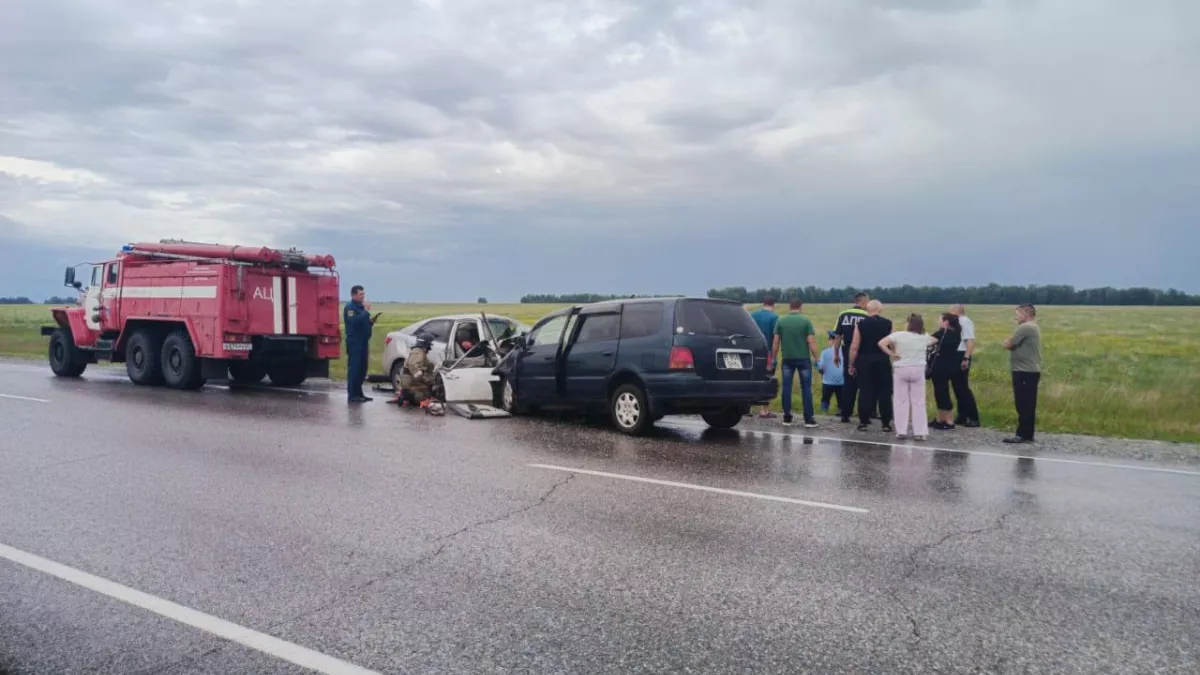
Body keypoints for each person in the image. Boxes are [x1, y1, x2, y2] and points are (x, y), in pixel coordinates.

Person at [879, 314, 935, 440]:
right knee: (919, 402)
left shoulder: (898, 335)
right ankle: (920, 432)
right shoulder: (924, 337)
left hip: (901, 368)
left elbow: (881, 343)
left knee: (900, 401)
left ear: (909, 324)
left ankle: (901, 431)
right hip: (918, 369)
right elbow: (934, 340)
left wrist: (891, 353)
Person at [772, 298, 819, 427]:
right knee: (806, 388)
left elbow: (776, 342)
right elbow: (811, 342)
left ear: (790, 307)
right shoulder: (805, 321)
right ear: (800, 307)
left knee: (786, 387)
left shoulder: (781, 321)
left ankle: (787, 417)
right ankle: (808, 419)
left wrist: (773, 358)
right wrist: (817, 358)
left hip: (787, 359)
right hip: (803, 359)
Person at [848, 300, 894, 432]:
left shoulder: (861, 324)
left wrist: (851, 364)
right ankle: (886, 423)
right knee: (885, 392)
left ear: (867, 310)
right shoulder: (888, 323)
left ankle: (863, 421)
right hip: (882, 359)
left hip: (864, 360)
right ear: (880, 309)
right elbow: (892, 343)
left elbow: (854, 347)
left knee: (865, 391)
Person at [1003, 304, 1042, 444]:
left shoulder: (1025, 327)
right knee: (1028, 403)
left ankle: (1022, 434)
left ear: (1025, 314)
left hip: (1024, 370)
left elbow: (1009, 344)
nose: (1016, 317)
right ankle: (1027, 433)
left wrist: (1007, 342)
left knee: (1023, 403)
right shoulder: (1034, 326)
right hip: (1030, 370)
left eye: (1018, 314)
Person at [832, 292, 870, 423]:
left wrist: (836, 354)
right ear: (863, 301)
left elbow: (838, 336)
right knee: (864, 384)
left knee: (848, 383)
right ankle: (864, 415)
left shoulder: (843, 314)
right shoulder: (867, 315)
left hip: (847, 350)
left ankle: (845, 414)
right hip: (863, 352)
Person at [343, 285, 378, 404]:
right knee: (355, 368)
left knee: (362, 369)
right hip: (355, 342)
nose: (363, 296)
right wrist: (366, 311)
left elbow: (363, 323)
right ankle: (352, 395)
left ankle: (359, 393)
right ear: (353, 295)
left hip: (363, 341)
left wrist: (370, 322)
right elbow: (355, 322)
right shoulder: (350, 308)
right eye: (360, 294)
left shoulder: (360, 307)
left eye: (363, 294)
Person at [929, 314, 964, 430]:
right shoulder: (956, 333)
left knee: (941, 393)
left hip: (940, 367)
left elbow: (928, 342)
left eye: (940, 320)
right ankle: (940, 418)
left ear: (946, 322)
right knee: (942, 392)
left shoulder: (943, 333)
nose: (938, 322)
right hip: (950, 366)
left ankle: (948, 420)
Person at [948, 304, 981, 427]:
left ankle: (973, 417)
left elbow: (970, 340)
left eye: (950, 311)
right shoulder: (957, 322)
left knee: (963, 388)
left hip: (962, 354)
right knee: (957, 387)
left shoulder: (965, 321)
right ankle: (962, 415)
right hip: (956, 354)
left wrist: (966, 358)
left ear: (956, 311)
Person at [750, 297, 780, 418]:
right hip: (767, 352)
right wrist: (774, 357)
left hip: (752, 351)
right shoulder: (774, 317)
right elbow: (776, 338)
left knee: (751, 378)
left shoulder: (753, 315)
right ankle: (764, 410)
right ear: (774, 305)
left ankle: (748, 408)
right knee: (767, 378)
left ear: (763, 303)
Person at [398, 333, 438, 406]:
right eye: (429, 344)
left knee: (429, 391)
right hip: (411, 382)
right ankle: (408, 396)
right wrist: (425, 379)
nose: (430, 347)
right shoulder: (418, 352)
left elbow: (428, 365)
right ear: (425, 344)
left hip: (412, 381)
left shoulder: (420, 352)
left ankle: (408, 395)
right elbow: (413, 366)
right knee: (426, 396)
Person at [816, 331, 844, 415]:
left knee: (825, 399)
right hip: (842, 382)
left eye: (829, 339)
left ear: (833, 340)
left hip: (827, 382)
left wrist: (816, 364)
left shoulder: (825, 352)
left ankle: (824, 414)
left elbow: (821, 368)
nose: (828, 341)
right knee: (841, 400)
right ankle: (840, 412)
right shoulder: (845, 351)